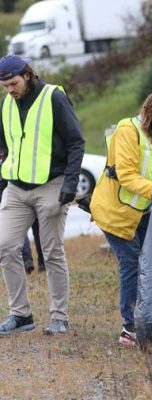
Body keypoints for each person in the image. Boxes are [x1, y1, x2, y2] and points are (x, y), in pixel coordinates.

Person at [90, 91, 152, 346]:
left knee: (148, 264)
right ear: (151, 112)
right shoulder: (127, 130)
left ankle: (146, 321)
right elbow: (127, 174)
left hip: (143, 214)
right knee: (132, 263)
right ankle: (130, 328)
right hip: (116, 212)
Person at [0, 55, 84, 336]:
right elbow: (6, 147)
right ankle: (21, 315)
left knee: (52, 252)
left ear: (26, 75)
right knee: (5, 246)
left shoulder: (54, 97)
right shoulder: (6, 105)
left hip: (52, 185)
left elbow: (76, 141)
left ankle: (59, 317)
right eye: (4, 86)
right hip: (16, 188)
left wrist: (69, 184)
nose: (10, 90)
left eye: (13, 83)